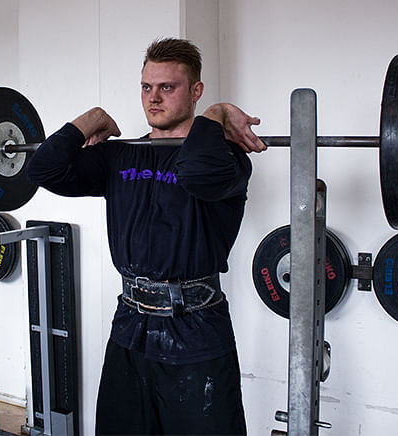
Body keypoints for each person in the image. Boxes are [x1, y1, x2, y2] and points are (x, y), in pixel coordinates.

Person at [26, 37, 266, 435]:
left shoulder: (227, 160)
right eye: (146, 87)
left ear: (195, 91)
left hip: (196, 327)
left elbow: (194, 175)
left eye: (167, 88)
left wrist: (217, 114)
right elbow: (43, 170)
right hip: (130, 326)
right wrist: (89, 119)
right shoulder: (120, 157)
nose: (153, 98)